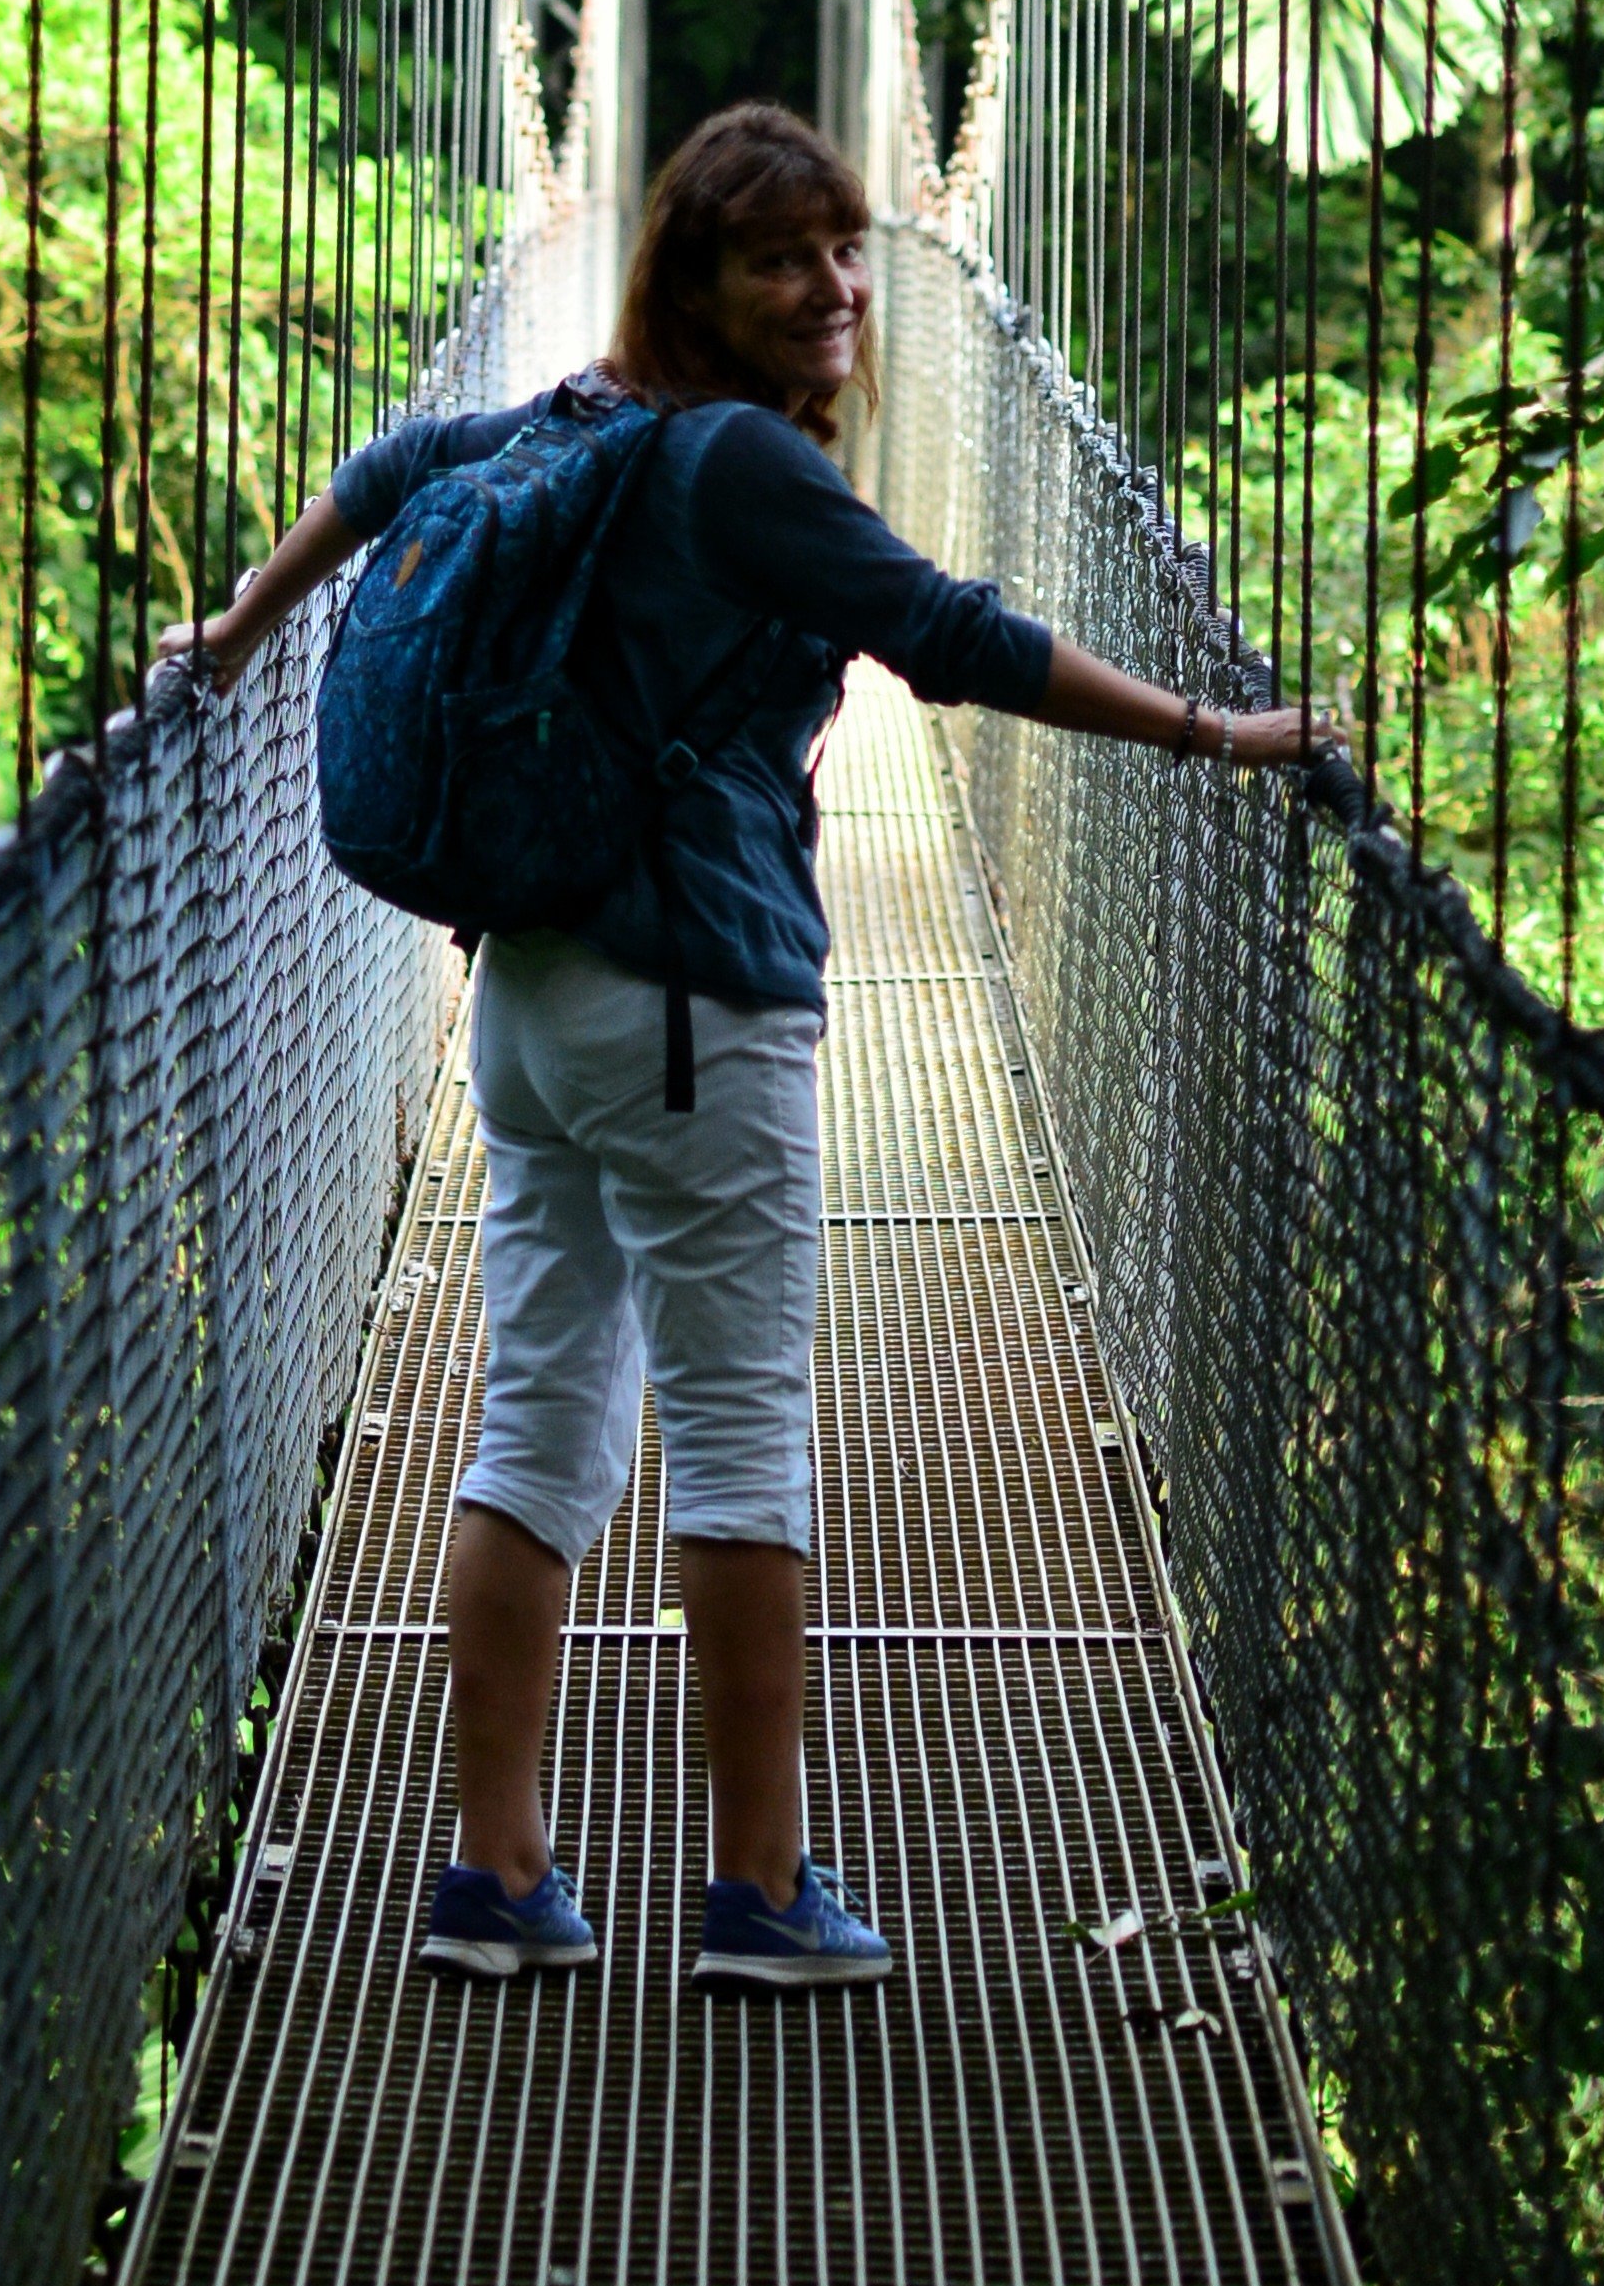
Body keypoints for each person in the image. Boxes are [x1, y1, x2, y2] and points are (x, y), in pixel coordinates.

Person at [185, 99, 1327, 1993]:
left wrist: (237, 633)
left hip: (536, 1006)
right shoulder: (735, 464)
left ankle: (494, 1878)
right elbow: (953, 638)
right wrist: (1212, 734)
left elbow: (388, 469)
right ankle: (764, 1891)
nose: (838, 289)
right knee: (734, 1432)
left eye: (848, 247)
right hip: (698, 1009)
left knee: (538, 1416)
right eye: (782, 257)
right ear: (699, 285)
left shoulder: (580, 416)